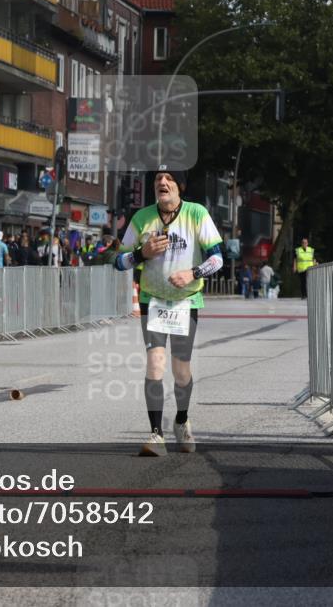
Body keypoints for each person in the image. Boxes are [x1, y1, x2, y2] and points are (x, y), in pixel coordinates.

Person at [114, 168, 224, 457]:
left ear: (180, 186)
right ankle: (156, 435)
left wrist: (194, 273)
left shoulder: (196, 213)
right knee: (155, 364)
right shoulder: (142, 217)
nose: (162, 183)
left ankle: (182, 420)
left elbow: (217, 257)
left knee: (180, 370)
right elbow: (118, 261)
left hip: (186, 301)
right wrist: (141, 254)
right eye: (157, 179)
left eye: (169, 179)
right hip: (154, 301)